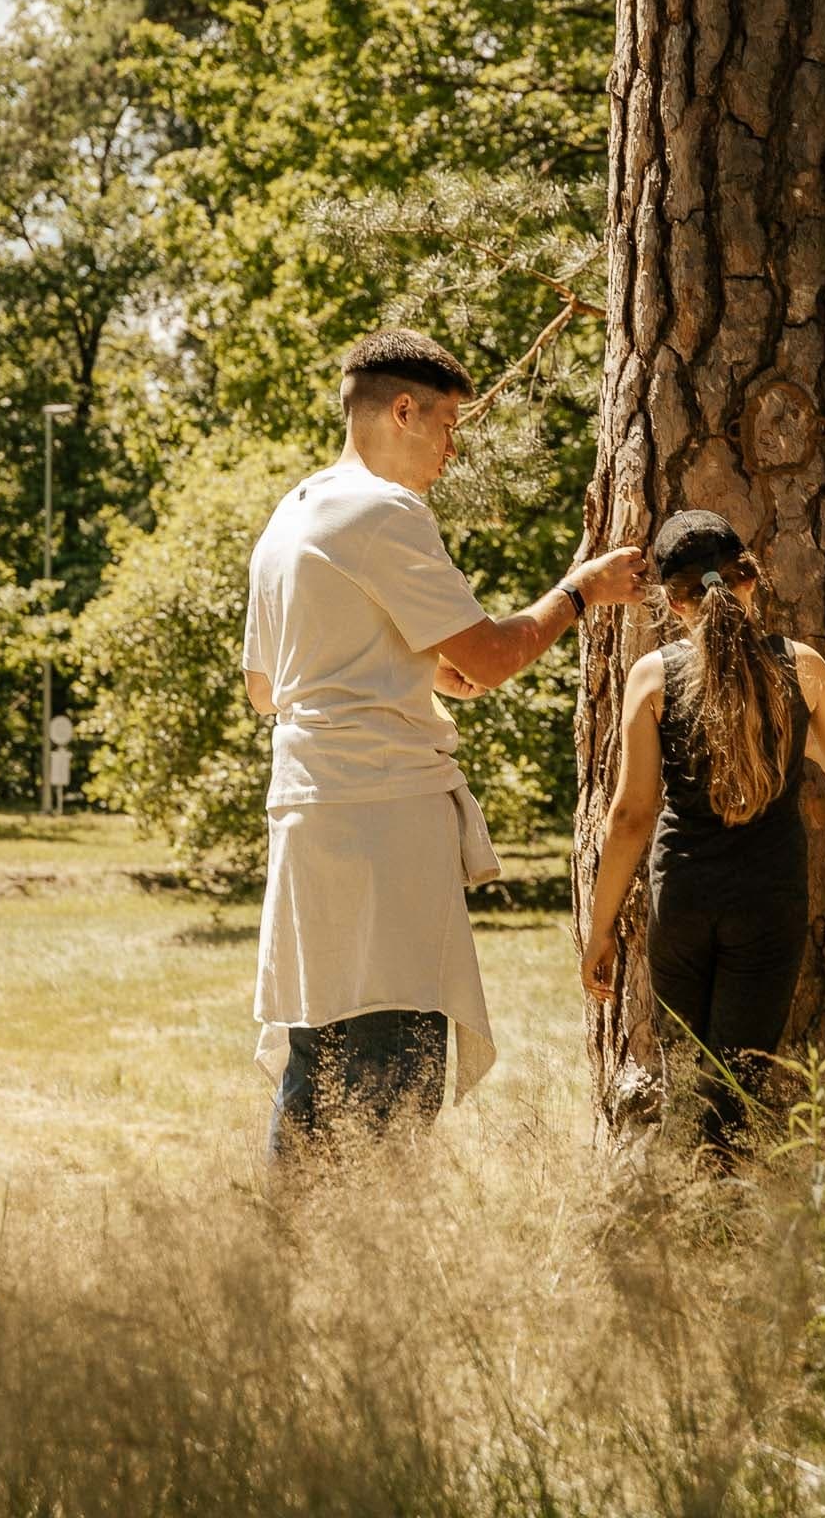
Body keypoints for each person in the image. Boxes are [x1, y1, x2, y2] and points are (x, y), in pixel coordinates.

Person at [241, 328, 645, 1167]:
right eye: (450, 426)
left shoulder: (293, 512)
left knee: (320, 1059)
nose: (452, 451)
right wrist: (582, 590)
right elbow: (490, 658)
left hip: (307, 813)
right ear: (401, 411)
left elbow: (265, 689)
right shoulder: (384, 511)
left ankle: (285, 1266)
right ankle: (381, 1259)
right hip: (379, 818)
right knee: (401, 1059)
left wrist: (406, 667)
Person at [580, 511, 825, 1155]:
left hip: (682, 897)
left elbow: (630, 816)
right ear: (750, 579)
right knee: (739, 1085)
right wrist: (792, 741)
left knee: (686, 1080)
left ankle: (687, 1217)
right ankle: (730, 1213)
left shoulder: (652, 675)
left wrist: (600, 929)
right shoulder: (804, 666)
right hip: (768, 902)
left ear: (671, 599)